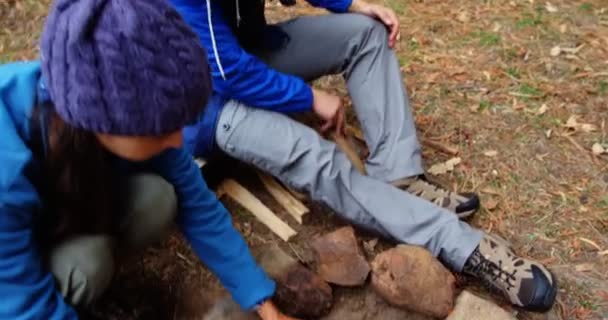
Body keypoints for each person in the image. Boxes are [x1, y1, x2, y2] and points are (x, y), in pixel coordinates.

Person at [169, 0, 557, 312]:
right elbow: (226, 73)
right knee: (318, 158)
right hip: (209, 102)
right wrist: (308, 98)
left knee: (366, 33)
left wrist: (350, 4)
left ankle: (399, 176)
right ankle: (467, 249)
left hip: (248, 54)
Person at [0, 0, 294, 319]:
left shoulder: (106, 111)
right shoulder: (7, 164)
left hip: (48, 213)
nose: (179, 140)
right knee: (86, 266)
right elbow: (27, 309)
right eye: (163, 131)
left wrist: (265, 305)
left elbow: (199, 207)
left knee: (156, 199)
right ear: (104, 122)